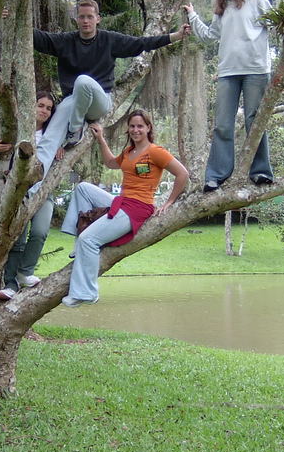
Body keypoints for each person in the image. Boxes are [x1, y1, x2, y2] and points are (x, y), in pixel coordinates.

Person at [30, 0, 191, 181]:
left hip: (98, 102)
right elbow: (39, 38)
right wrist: (10, 18)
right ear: (76, 19)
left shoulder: (109, 39)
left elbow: (141, 43)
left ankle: (75, 130)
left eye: (90, 17)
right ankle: (31, 186)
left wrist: (176, 36)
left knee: (82, 81)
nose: (85, 21)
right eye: (81, 17)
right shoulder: (66, 41)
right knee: (49, 137)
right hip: (73, 102)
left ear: (98, 18)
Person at [60, 109, 189, 307]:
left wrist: (169, 202)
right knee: (83, 189)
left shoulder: (155, 152)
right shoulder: (129, 152)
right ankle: (79, 242)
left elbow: (182, 174)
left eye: (140, 126)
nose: (136, 130)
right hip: (122, 201)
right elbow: (111, 163)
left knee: (89, 240)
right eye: (132, 126)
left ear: (148, 128)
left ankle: (87, 293)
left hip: (137, 208)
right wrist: (101, 139)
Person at [183, 0, 275, 193]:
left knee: (255, 121)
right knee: (223, 124)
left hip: (256, 70)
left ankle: (261, 171)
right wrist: (193, 16)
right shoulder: (222, 8)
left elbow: (275, 23)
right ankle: (216, 176)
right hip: (228, 72)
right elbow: (209, 35)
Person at [0, 91, 62, 301]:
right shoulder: (19, 131)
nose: (44, 111)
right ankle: (10, 283)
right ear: (32, 106)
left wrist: (61, 148)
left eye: (48, 108)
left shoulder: (53, 135)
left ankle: (25, 272)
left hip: (43, 191)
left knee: (40, 232)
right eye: (40, 105)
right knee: (18, 238)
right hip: (19, 192)